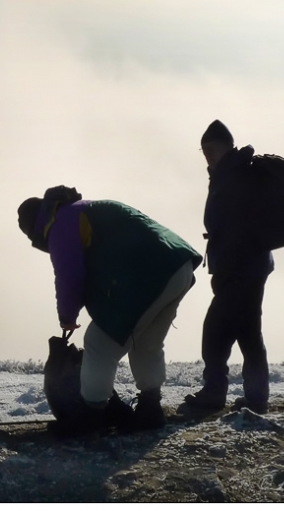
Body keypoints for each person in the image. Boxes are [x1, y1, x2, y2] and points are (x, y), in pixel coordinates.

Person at [18, 186, 203, 435]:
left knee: (98, 342)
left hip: (150, 273)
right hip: (177, 266)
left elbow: (70, 274)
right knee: (146, 342)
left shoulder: (59, 223)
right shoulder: (83, 210)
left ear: (34, 228)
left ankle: (91, 416)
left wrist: (67, 317)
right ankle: (150, 408)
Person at [178, 120, 273, 418]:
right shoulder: (229, 172)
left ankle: (214, 394)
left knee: (215, 331)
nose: (207, 154)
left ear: (226, 146)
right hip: (249, 267)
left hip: (241, 269)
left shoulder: (235, 174)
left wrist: (227, 267)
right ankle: (256, 399)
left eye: (211, 148)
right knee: (248, 333)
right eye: (203, 149)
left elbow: (236, 225)